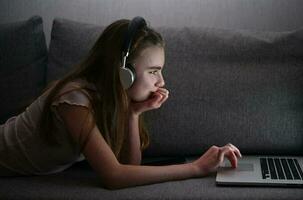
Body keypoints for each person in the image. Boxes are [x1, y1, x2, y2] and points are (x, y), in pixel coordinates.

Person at [0, 17, 242, 189]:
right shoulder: (74, 101)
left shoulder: (111, 98)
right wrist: (196, 168)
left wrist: (133, 114)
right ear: (124, 73)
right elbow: (115, 177)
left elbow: (129, 165)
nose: (161, 81)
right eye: (153, 71)